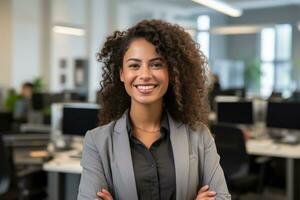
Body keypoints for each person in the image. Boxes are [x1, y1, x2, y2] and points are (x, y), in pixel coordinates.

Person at [78, 19, 230, 200]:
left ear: (172, 72)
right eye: (134, 65)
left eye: (156, 64)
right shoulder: (97, 142)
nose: (144, 75)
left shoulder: (199, 137)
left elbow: (221, 198)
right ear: (122, 74)